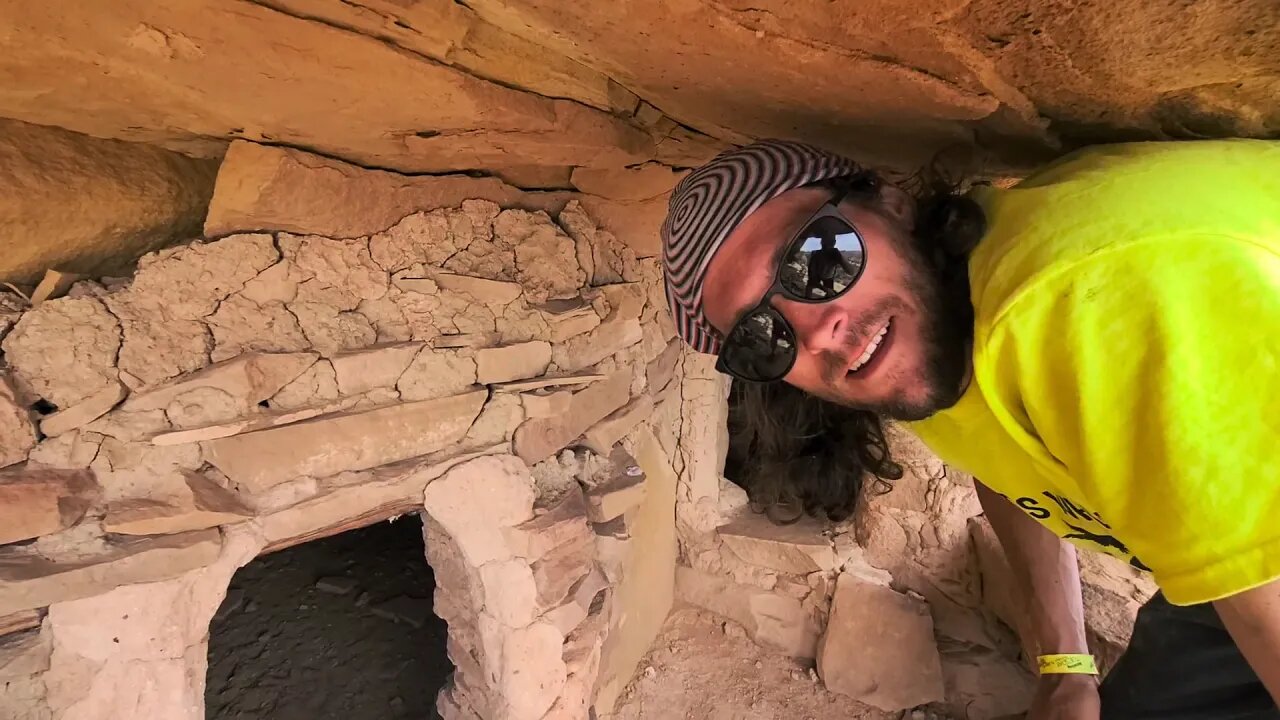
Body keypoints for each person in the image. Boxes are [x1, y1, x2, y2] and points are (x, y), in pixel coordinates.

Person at [660, 138, 1280, 719]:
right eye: (761, 337)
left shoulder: (1078, 309)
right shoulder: (935, 329)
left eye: (819, 260)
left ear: (890, 202)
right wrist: (1065, 667)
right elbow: (1007, 471)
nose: (817, 331)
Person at [804, 230, 858, 298]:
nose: (827, 244)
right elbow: (811, 277)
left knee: (829, 294)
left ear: (821, 242)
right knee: (811, 287)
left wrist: (840, 257)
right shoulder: (816, 254)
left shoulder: (833, 254)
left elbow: (851, 272)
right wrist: (825, 289)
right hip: (822, 277)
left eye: (829, 241)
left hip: (828, 277)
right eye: (827, 241)